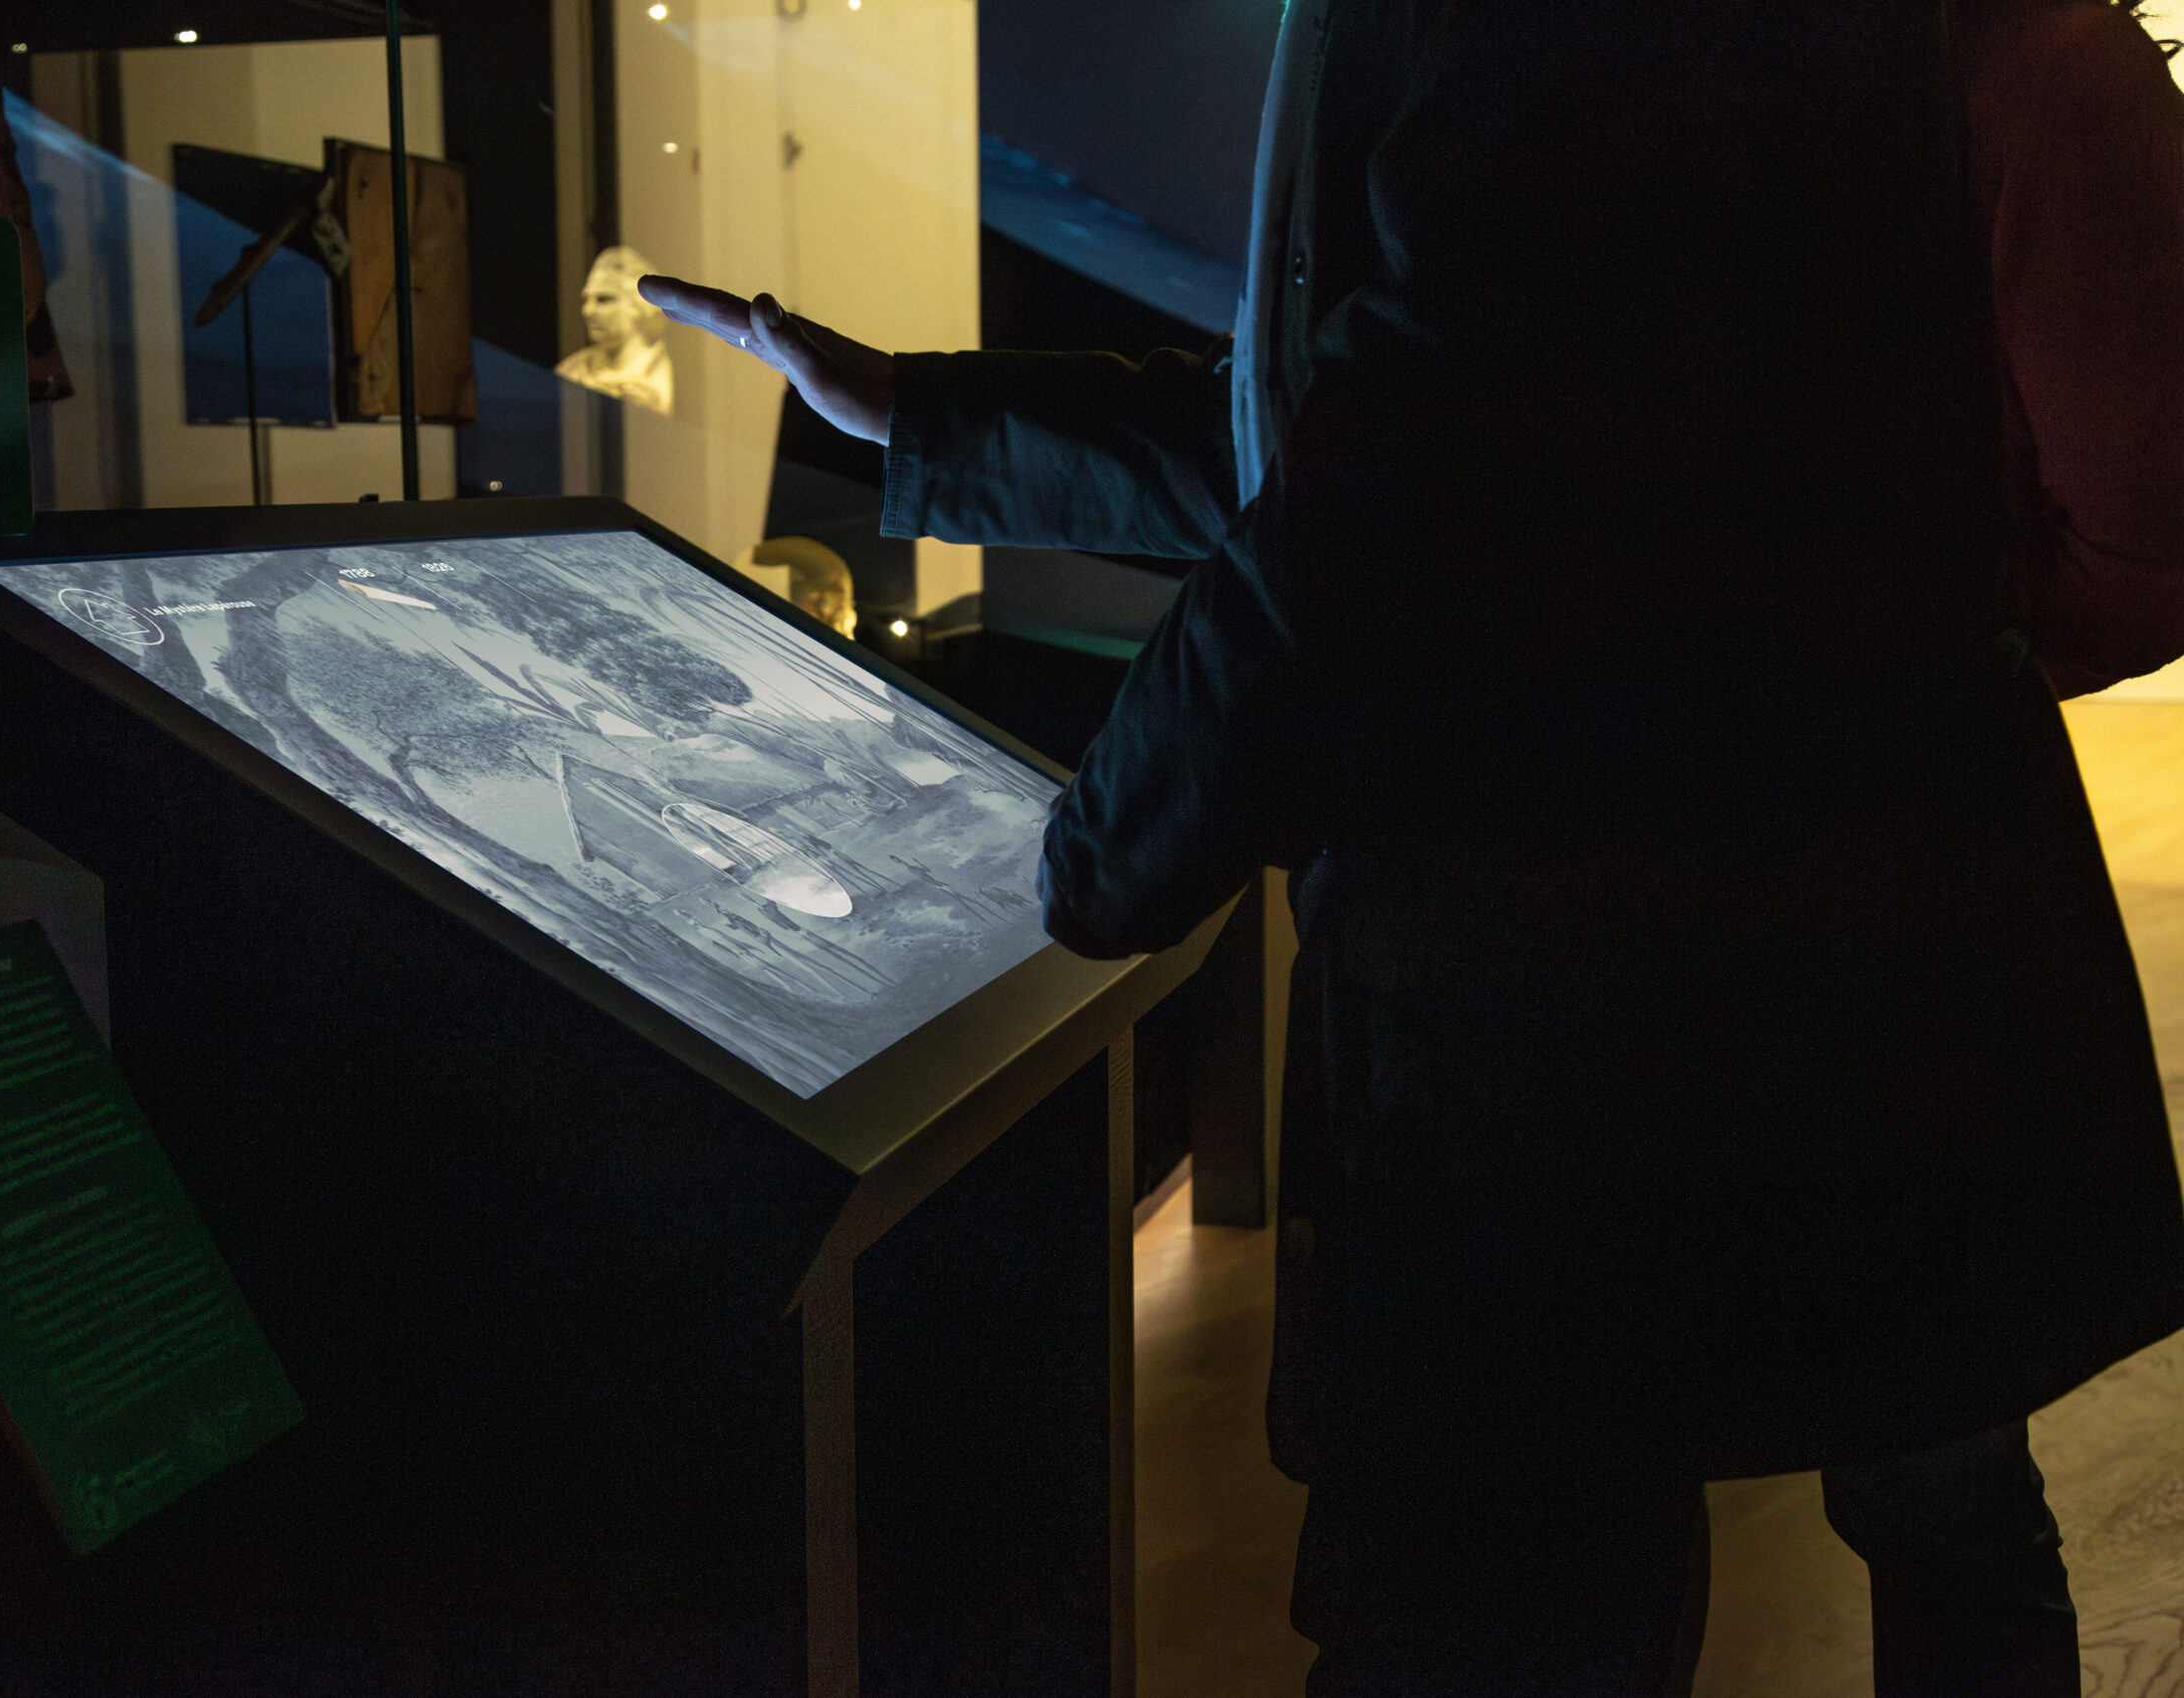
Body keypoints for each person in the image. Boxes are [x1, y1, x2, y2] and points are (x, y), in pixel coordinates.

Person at [644, 0, 2184, 1689]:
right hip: (1641, 996)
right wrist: (929, 424)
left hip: (1565, 1023)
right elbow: (1364, 419)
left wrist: (1103, 843)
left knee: (1507, 1592)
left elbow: (1408, 461)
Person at [556, 245, 675, 416]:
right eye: (586, 300)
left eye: (604, 299)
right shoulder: (572, 371)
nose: (588, 310)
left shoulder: (678, 373)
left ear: (639, 305)